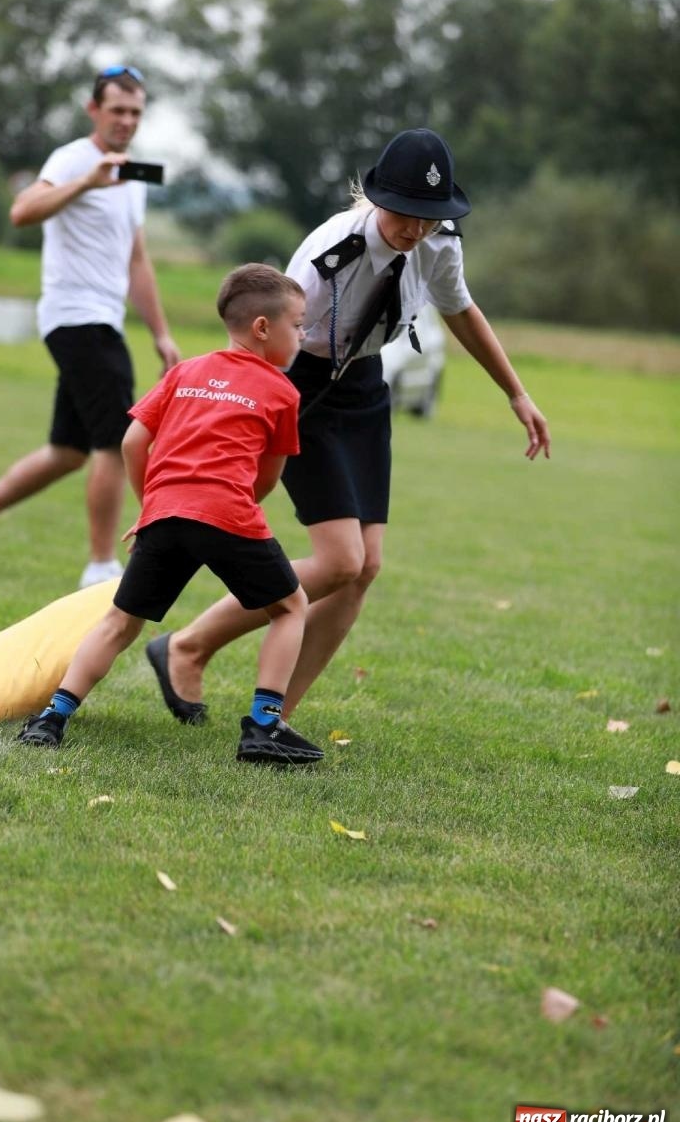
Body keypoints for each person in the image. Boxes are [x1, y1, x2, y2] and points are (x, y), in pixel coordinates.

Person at [144, 128, 551, 724]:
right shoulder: (329, 252)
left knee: (363, 569)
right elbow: (258, 343)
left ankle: (277, 719)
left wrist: (516, 392)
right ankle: (188, 646)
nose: (416, 229)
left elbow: (460, 309)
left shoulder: (439, 242)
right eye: (405, 213)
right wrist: (233, 420)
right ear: (380, 198)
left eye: (429, 216)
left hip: (364, 386)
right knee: (339, 561)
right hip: (297, 385)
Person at [15, 263, 324, 766]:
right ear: (263, 328)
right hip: (228, 513)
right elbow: (266, 478)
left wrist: (152, 505)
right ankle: (265, 725)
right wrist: (224, 506)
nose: (303, 334)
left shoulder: (185, 372)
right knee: (291, 607)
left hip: (164, 513)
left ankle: (52, 717)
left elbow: (133, 441)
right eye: (298, 324)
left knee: (120, 621)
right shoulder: (283, 392)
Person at [0, 64, 180, 588]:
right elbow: (22, 211)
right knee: (118, 440)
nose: (127, 121)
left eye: (135, 112)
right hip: (76, 317)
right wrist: (86, 182)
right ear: (94, 110)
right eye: (117, 110)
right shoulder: (73, 159)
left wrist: (160, 332)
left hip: (100, 319)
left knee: (69, 451)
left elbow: (136, 260)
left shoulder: (132, 178)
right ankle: (101, 567)